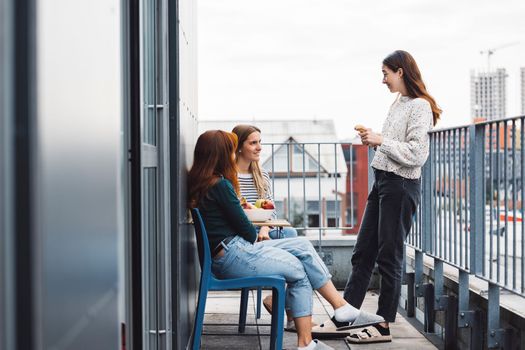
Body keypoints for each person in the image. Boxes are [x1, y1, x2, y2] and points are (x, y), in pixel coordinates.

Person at [188, 130, 384, 350]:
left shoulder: (202, 182)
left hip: (228, 252)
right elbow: (249, 232)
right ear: (222, 154)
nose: (233, 156)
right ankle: (307, 342)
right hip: (234, 254)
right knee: (299, 271)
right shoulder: (222, 186)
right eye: (231, 151)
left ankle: (341, 308)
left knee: (301, 244)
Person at [339, 50, 441, 344]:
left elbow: (417, 154)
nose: (382, 80)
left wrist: (381, 140)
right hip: (382, 182)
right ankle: (346, 314)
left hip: (401, 186)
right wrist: (375, 140)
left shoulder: (420, 106)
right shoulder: (398, 103)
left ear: (400, 72)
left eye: (385, 73)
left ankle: (382, 326)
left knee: (389, 256)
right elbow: (395, 147)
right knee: (362, 254)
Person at [232, 124, 298, 240]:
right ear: (239, 147)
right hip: (239, 231)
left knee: (290, 233)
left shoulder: (262, 174)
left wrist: (264, 230)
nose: (259, 147)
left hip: (263, 229)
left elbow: (271, 211)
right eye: (253, 143)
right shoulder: (228, 176)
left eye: (259, 142)